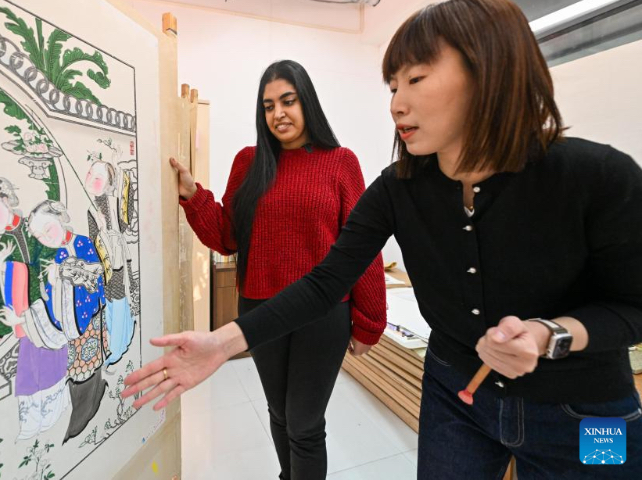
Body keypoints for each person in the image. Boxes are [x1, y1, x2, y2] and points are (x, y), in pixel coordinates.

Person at [123, 1, 642, 478]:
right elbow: (329, 275)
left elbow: (632, 308)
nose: (397, 103)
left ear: (491, 73)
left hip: (590, 410)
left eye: (415, 78)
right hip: (456, 396)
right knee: (287, 417)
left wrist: (550, 334)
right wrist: (222, 340)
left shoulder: (600, 176)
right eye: (392, 85)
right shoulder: (399, 188)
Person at [167, 59, 387, 479]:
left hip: (322, 313)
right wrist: (194, 195)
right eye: (268, 106)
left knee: (305, 422)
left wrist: (369, 322)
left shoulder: (340, 162)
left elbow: (363, 249)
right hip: (260, 311)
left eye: (288, 101)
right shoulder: (249, 162)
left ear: (308, 102)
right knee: (280, 413)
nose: (278, 113)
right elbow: (227, 236)